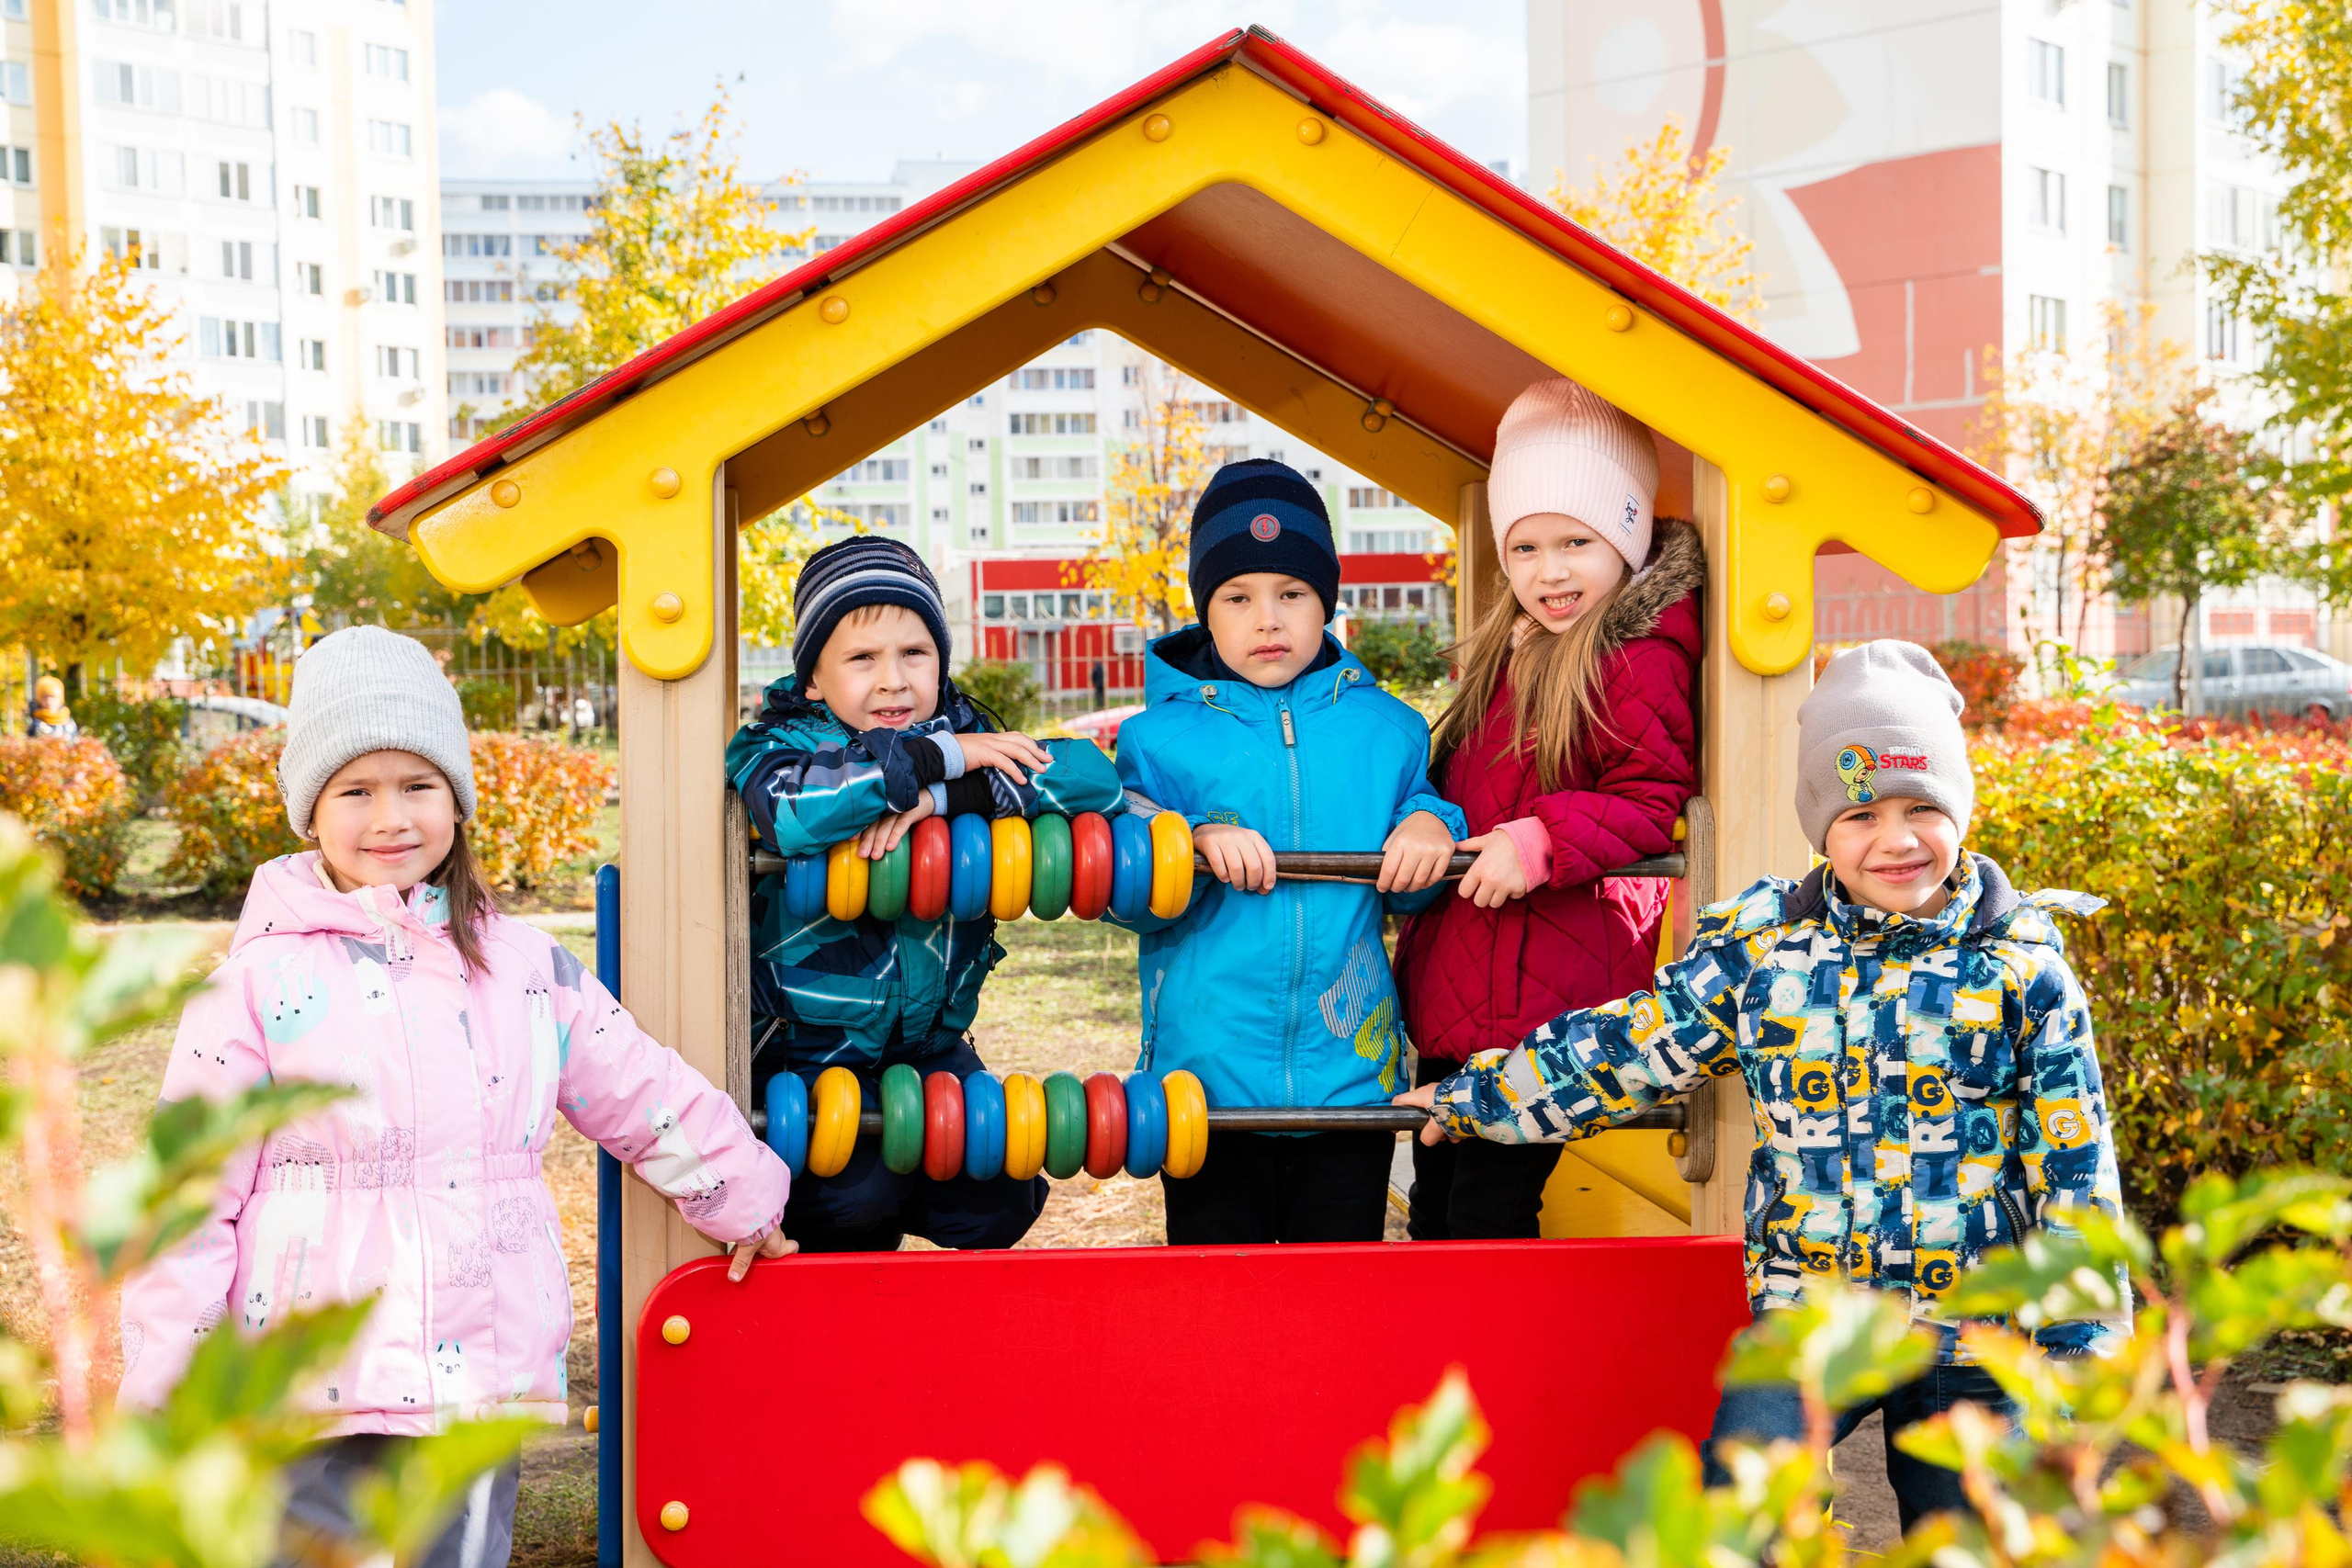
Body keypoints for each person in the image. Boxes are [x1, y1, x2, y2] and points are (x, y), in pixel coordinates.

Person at [1397, 640, 2123, 1534]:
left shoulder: (2021, 972)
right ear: (1820, 828)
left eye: (1922, 808)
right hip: (1810, 1310)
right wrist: (1479, 1098)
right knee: (1743, 1510)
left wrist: (2082, 1338)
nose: (1896, 840)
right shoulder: (1770, 953)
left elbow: (2075, 1162)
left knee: (1969, 1536)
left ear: (1961, 811)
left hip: (1977, 1326)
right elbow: (1631, 1047)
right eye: (1860, 815)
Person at [117, 626, 790, 1568]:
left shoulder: (520, 965)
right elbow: (188, 1194)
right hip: (305, 1378)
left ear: (457, 799)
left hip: (473, 1367)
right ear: (310, 810)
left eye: (418, 785)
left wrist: (741, 1192)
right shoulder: (254, 987)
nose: (391, 816)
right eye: (356, 790)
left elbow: (632, 1082)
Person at [725, 536, 1124, 1253]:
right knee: (854, 1197)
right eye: (862, 658)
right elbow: (794, 811)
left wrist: (951, 793)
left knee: (1002, 1195)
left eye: (915, 652)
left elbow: (1093, 777)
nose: (893, 680)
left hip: (931, 1049)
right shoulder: (776, 748)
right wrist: (936, 758)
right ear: (812, 678)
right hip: (808, 1057)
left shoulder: (972, 734)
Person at [1114, 459, 1465, 1244]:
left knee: (1338, 1288)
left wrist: (1429, 823)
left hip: (1348, 1081)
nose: (1267, 619)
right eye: (1238, 597)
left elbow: (1412, 886)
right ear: (1206, 610)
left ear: (1326, 602)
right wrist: (1188, 837)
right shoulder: (1155, 740)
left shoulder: (1389, 730)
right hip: (1205, 1086)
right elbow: (1120, 877)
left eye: (1293, 593)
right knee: (1221, 1288)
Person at [1394, 377, 1702, 1240]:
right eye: (1525, 547)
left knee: (1486, 1213)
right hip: (1465, 986)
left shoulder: (1638, 658)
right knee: (1435, 1204)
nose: (1550, 570)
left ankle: (1496, 1335)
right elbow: (1460, 786)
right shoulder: (1510, 651)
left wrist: (1542, 839)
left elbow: (1651, 799)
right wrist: (1427, 818)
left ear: (1627, 538)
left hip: (1554, 1004)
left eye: (1576, 541)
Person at [28, 674, 77, 739]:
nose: (49, 702)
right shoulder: (33, 723)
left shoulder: (69, 724)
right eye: (45, 698)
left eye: (53, 698)